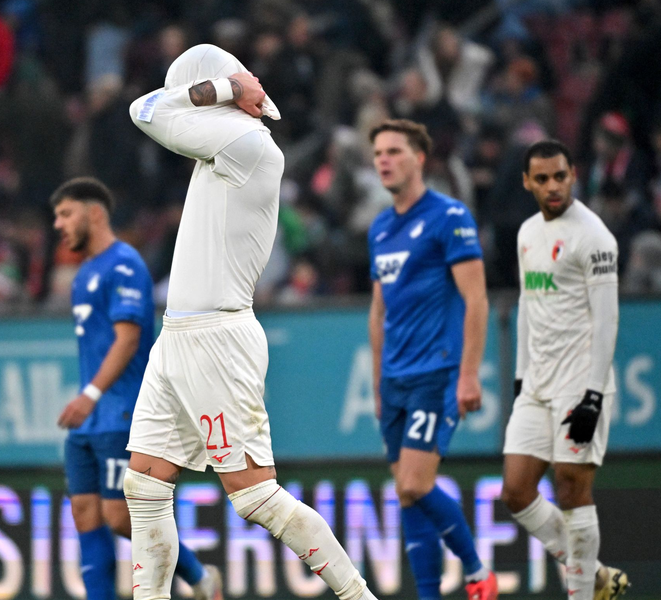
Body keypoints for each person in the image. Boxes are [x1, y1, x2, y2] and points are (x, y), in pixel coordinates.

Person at [124, 44, 381, 600]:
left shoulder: (247, 145)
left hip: (218, 334)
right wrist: (224, 89)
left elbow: (144, 109)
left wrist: (222, 90)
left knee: (254, 496)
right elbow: (154, 108)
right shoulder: (223, 150)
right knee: (143, 481)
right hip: (180, 334)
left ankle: (358, 596)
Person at [51, 177, 223, 600]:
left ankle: (200, 576)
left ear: (95, 213)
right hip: (90, 419)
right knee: (84, 512)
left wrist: (89, 395)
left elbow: (127, 340)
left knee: (119, 516)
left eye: (66, 213)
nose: (58, 224)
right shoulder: (84, 273)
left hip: (123, 411)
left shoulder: (124, 264)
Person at [367, 119, 498, 600]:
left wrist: (468, 374)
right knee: (405, 492)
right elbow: (378, 310)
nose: (384, 159)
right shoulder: (380, 228)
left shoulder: (449, 217)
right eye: (378, 152)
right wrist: (379, 382)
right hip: (396, 379)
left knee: (417, 484)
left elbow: (477, 299)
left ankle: (478, 569)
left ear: (419, 158)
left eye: (394, 151)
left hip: (436, 373)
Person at [500, 139, 630, 600]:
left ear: (572, 174)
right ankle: (594, 573)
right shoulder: (527, 233)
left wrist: (594, 395)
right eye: (542, 179)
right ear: (527, 182)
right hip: (536, 384)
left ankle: (582, 593)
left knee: (571, 490)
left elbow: (607, 318)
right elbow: (526, 308)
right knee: (515, 491)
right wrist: (520, 379)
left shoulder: (594, 237)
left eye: (560, 176)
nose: (553, 186)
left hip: (579, 384)